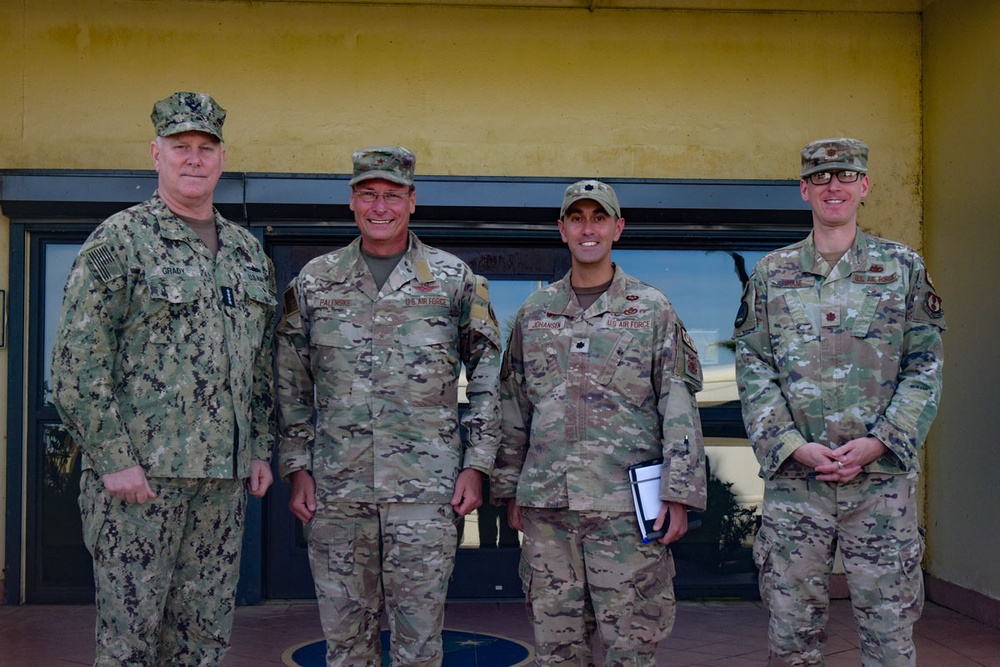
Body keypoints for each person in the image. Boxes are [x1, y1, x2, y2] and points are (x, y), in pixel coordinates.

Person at [50, 91, 277, 666]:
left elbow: (256, 368)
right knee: (130, 644)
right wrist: (112, 458)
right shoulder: (119, 242)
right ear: (156, 154)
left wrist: (258, 448)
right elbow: (77, 365)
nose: (194, 158)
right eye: (181, 147)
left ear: (222, 158)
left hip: (221, 487)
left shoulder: (248, 254)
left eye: (206, 147)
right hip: (140, 483)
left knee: (203, 642)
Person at [275, 146, 502, 667]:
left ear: (412, 201)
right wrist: (297, 468)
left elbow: (490, 374)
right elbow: (290, 384)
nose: (381, 206)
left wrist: (477, 464)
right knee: (345, 645)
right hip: (337, 492)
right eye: (369, 194)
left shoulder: (453, 279)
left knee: (418, 645)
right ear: (352, 201)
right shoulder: (315, 282)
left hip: (426, 492)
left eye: (392, 195)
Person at [734, 138, 946, 666]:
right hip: (797, 486)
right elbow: (753, 368)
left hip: (881, 488)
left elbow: (925, 364)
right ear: (805, 190)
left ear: (864, 187)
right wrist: (791, 446)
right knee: (791, 636)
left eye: (846, 176)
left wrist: (879, 443)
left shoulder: (902, 269)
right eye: (823, 177)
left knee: (890, 636)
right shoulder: (771, 275)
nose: (835, 186)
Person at [492, 180, 707, 666]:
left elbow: (677, 404)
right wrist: (509, 490)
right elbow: (513, 406)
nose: (588, 228)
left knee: (630, 648)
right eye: (577, 218)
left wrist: (679, 493)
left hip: (626, 514)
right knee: (557, 650)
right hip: (548, 512)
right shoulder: (534, 313)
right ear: (563, 230)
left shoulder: (651, 309)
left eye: (599, 217)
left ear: (617, 228)